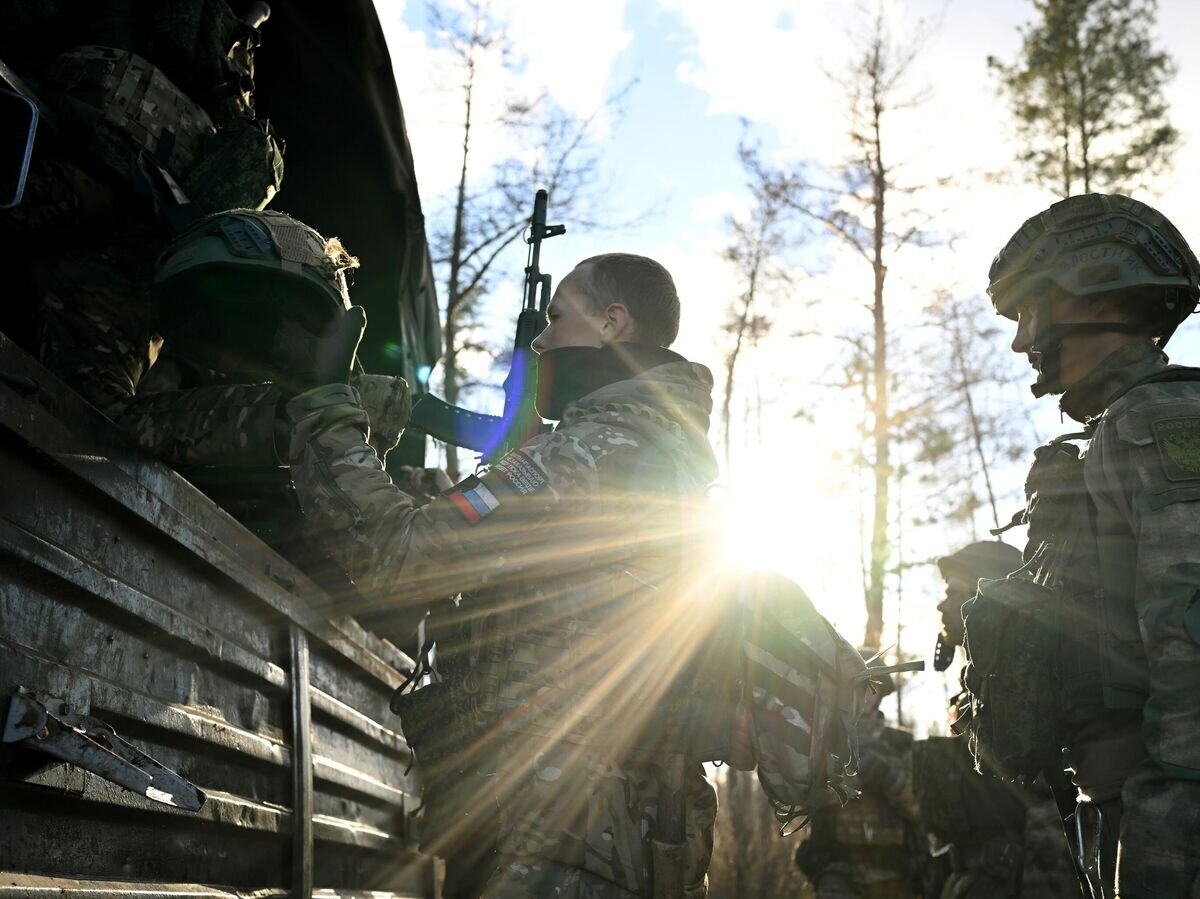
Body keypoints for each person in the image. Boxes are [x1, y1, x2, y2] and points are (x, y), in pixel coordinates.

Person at [285, 253, 721, 898]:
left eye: (557, 317)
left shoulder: (586, 452)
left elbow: (401, 557)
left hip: (562, 831)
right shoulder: (659, 446)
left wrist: (324, 408)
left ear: (612, 322)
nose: (543, 339)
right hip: (629, 825)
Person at [983, 193, 1200, 898]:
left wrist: (1165, 840)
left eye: (1027, 313)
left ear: (1093, 293)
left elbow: (1190, 643)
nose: (1022, 343)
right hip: (1126, 806)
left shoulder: (1156, 420)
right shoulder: (1124, 428)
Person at [920, 541, 1079, 899]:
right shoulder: (972, 697)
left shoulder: (1032, 685)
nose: (941, 604)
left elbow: (1052, 815)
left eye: (955, 593)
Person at [795, 668, 924, 899]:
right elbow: (804, 798)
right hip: (838, 871)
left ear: (881, 692)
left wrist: (888, 775)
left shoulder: (902, 744)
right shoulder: (823, 744)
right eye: (856, 688)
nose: (864, 695)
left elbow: (919, 809)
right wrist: (850, 776)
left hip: (895, 873)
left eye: (871, 688)